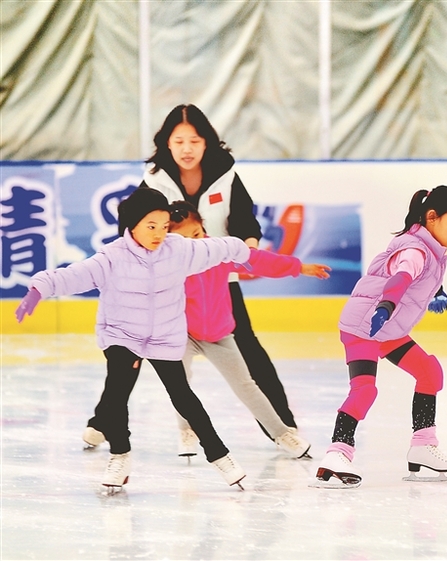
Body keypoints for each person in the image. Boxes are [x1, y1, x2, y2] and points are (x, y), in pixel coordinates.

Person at [15, 188, 252, 491]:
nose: (159, 234)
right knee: (116, 394)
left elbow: (214, 249)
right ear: (133, 225)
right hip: (122, 333)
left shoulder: (177, 250)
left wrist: (242, 252)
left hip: (164, 333)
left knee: (183, 396)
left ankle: (220, 455)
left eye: (165, 227)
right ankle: (120, 455)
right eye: (151, 226)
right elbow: (75, 274)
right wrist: (40, 288)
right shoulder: (113, 257)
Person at [137, 103, 297, 438]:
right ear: (167, 143)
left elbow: (243, 219)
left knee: (249, 349)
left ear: (206, 142)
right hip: (172, 285)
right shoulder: (153, 180)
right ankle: (103, 423)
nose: (186, 149)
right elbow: (139, 227)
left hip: (218, 280)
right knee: (145, 352)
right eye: (179, 141)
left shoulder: (226, 174)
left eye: (194, 141)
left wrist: (248, 246)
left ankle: (284, 427)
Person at [311, 185, 447, 488]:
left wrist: (436, 291)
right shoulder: (414, 249)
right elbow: (402, 278)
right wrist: (385, 306)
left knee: (429, 371)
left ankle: (423, 446)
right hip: (365, 327)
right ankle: (336, 453)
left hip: (389, 331)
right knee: (364, 391)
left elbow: (422, 276)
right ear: (432, 217)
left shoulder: (429, 248)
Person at [167, 201, 331, 460]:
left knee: (246, 385)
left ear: (203, 227)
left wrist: (299, 267)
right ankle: (186, 429)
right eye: (184, 240)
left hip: (219, 334)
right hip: (183, 333)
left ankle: (281, 433)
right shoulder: (168, 261)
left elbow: (259, 260)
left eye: (197, 235)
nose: (194, 245)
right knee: (179, 380)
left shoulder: (220, 251)